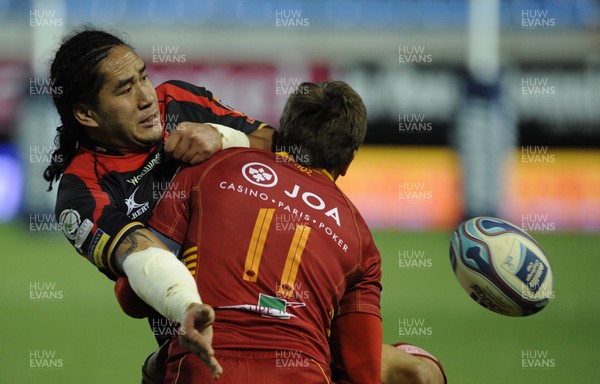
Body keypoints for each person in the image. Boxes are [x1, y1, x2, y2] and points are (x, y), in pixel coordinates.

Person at [46, 26, 445, 383]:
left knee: (415, 371)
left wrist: (221, 136)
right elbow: (142, 261)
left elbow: (294, 152)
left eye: (143, 77)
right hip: (200, 327)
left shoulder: (182, 103)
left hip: (277, 319)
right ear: (86, 112)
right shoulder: (81, 192)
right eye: (124, 89)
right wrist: (187, 304)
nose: (146, 96)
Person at [125, 80, 381, 383]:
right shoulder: (360, 236)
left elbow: (133, 296)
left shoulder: (207, 168)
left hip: (205, 367)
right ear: (349, 161)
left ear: (280, 132)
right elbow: (362, 372)